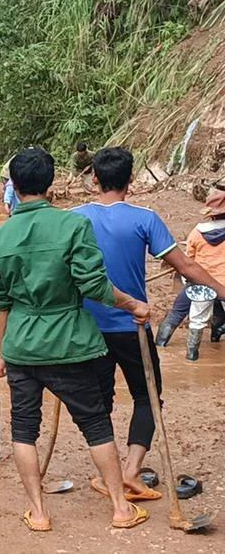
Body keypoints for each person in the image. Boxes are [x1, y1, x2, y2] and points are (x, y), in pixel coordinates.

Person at [0, 147, 150, 532]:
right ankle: (122, 509)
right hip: (69, 343)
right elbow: (94, 286)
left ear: (14, 185)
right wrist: (133, 305)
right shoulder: (72, 226)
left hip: (22, 347)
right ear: (51, 184)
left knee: (24, 428)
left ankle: (39, 513)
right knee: (95, 424)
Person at [71, 147, 225, 501]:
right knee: (148, 396)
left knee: (98, 403)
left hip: (85, 329)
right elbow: (185, 267)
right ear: (130, 180)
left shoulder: (73, 219)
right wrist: (221, 290)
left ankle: (110, 475)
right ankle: (130, 471)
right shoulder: (145, 218)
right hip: (131, 325)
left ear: (93, 177)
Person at [181, 188, 225, 360]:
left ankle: (192, 354)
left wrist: (188, 280)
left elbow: (189, 259)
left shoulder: (196, 233)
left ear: (211, 214)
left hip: (203, 282)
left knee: (197, 319)